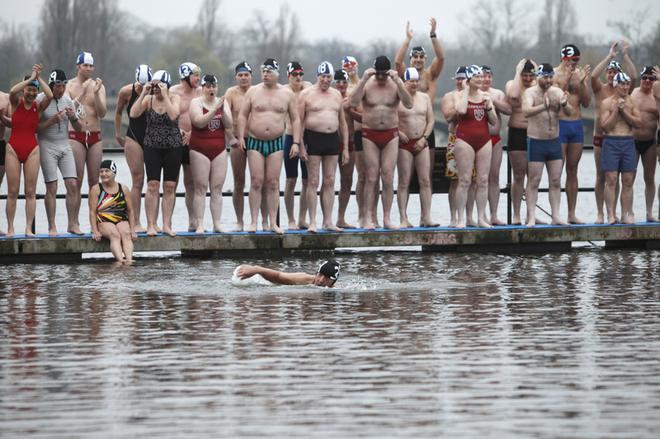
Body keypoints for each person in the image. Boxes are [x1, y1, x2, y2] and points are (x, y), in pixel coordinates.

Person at [237, 58, 301, 234]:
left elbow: (295, 119)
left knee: (273, 183)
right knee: (256, 181)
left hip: (276, 142)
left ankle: (273, 222)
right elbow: (243, 115)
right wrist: (241, 136)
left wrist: (296, 142)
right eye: (263, 71)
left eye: (269, 71)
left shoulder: (287, 94)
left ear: (277, 73)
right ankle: (254, 221)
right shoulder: (253, 91)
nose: (265, 74)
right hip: (255, 140)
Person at [349, 55, 413, 230]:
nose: (381, 78)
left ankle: (386, 218)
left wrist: (399, 81)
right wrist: (362, 80)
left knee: (388, 176)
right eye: (378, 74)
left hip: (391, 134)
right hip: (369, 133)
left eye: (384, 74)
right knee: (371, 176)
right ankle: (369, 217)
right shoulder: (368, 84)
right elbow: (352, 103)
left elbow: (408, 104)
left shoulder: (394, 84)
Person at [129, 70, 183, 237]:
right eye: (154, 85)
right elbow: (133, 114)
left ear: (166, 84)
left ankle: (166, 224)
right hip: (152, 146)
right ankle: (151, 224)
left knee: (170, 186)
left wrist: (166, 95)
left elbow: (174, 115)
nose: (156, 88)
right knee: (152, 186)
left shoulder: (175, 98)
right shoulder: (148, 99)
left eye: (160, 84)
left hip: (173, 146)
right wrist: (144, 92)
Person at [298, 61, 349, 233]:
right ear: (317, 77)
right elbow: (300, 122)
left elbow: (342, 123)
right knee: (313, 181)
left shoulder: (336, 95)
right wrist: (300, 146)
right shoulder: (306, 94)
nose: (326, 80)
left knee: (330, 180)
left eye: (328, 77)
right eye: (323, 77)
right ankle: (312, 221)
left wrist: (346, 148)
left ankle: (328, 221)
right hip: (313, 138)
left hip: (332, 140)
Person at [590, 41, 637, 223]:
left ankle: (614, 212)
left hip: (619, 139)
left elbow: (633, 77)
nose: (611, 75)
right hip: (600, 138)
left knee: (616, 177)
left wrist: (625, 56)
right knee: (601, 176)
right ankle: (600, 213)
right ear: (606, 74)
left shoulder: (624, 89)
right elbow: (593, 76)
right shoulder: (599, 89)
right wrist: (609, 56)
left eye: (615, 72)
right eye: (609, 72)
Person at [522, 63, 573, 227]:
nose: (549, 80)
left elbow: (570, 112)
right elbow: (526, 111)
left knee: (556, 180)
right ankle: (531, 217)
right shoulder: (530, 92)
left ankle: (556, 216)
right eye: (545, 77)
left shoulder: (557, 92)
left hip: (554, 141)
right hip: (536, 141)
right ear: (538, 77)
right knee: (534, 181)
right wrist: (543, 106)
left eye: (551, 77)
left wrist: (565, 104)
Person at [5, 65, 52, 237]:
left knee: (30, 192)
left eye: (34, 91)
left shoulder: (38, 107)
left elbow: (50, 95)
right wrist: (30, 78)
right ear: (24, 89)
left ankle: (27, 228)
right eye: (28, 90)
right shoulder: (16, 103)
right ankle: (10, 228)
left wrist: (38, 79)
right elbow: (11, 91)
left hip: (32, 149)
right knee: (12, 192)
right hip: (13, 148)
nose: (31, 93)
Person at [37, 69, 83, 236]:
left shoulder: (67, 101)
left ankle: (72, 224)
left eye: (64, 86)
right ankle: (51, 226)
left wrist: (73, 118)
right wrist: (51, 121)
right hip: (46, 146)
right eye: (58, 86)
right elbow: (34, 128)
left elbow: (79, 129)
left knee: (72, 184)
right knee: (52, 187)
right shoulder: (41, 99)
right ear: (51, 85)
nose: (61, 89)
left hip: (64, 146)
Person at [65, 51, 107, 233]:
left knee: (94, 181)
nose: (89, 69)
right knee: (76, 181)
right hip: (76, 136)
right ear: (78, 67)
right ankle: (73, 223)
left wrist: (96, 94)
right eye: (85, 65)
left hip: (95, 135)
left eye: (91, 65)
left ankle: (95, 223)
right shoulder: (69, 85)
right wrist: (81, 93)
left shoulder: (98, 85)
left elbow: (102, 113)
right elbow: (68, 108)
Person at [452, 65, 497, 229]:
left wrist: (489, 106)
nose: (481, 79)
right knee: (464, 180)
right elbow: (461, 110)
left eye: (482, 77)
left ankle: (480, 217)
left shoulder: (486, 96)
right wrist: (465, 90)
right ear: (469, 80)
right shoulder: (459, 95)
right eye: (477, 77)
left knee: (483, 180)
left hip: (484, 140)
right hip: (464, 140)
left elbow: (493, 121)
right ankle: (461, 219)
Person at [224, 61, 268, 231]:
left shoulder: (258, 92)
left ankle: (263, 220)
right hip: (237, 142)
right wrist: (231, 138)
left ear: (251, 76)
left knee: (260, 182)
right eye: (240, 75)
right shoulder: (231, 93)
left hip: (256, 140)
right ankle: (240, 220)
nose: (243, 78)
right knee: (239, 182)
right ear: (236, 77)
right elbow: (224, 117)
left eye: (246, 75)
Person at [189, 74, 235, 233]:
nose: (211, 89)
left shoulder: (223, 102)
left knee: (217, 188)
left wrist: (222, 111)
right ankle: (200, 223)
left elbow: (229, 125)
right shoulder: (195, 102)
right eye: (208, 86)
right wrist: (214, 110)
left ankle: (217, 223)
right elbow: (198, 122)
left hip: (219, 149)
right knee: (200, 188)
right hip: (199, 149)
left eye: (213, 86)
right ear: (202, 88)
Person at [554, 44, 591, 224]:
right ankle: (557, 214)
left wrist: (583, 83)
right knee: (557, 171)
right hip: (560, 125)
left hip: (576, 125)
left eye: (578, 60)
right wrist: (567, 79)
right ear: (565, 58)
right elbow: (555, 99)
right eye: (573, 60)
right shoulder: (553, 74)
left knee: (573, 169)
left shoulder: (580, 74)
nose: (576, 63)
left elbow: (586, 102)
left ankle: (571, 213)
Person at [114, 64, 153, 233]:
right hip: (134, 137)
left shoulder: (156, 90)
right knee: (137, 181)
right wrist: (118, 134)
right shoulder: (126, 92)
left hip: (153, 139)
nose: (143, 87)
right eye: (140, 85)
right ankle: (135, 221)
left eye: (146, 85)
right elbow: (118, 113)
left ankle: (153, 222)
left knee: (153, 183)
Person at [397, 67, 437, 228]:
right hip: (404, 143)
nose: (414, 84)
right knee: (404, 181)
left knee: (425, 180)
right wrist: (399, 133)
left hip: (422, 142)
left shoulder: (425, 97)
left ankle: (425, 217)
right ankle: (403, 218)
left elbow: (431, 120)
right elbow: (391, 118)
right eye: (410, 81)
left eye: (416, 81)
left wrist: (424, 138)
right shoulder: (398, 98)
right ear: (404, 82)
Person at [600, 72, 641, 224]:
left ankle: (626, 213)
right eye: (622, 84)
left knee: (628, 180)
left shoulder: (633, 102)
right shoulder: (606, 103)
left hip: (628, 142)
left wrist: (624, 111)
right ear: (616, 85)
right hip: (611, 141)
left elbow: (638, 123)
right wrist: (617, 110)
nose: (625, 87)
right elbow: (605, 126)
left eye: (627, 84)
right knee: (611, 179)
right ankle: (611, 214)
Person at [170, 62, 202, 231]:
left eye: (199, 75)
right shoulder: (172, 92)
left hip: (194, 141)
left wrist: (191, 132)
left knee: (191, 183)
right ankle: (168, 222)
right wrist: (178, 130)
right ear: (185, 76)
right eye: (195, 75)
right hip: (175, 141)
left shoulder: (200, 92)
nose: (198, 78)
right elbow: (163, 112)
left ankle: (193, 220)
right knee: (171, 184)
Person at [505, 59, 537, 224]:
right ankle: (516, 214)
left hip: (535, 133)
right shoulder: (512, 84)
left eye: (530, 74)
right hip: (517, 132)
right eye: (525, 75)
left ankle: (531, 214)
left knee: (533, 177)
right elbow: (514, 96)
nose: (528, 78)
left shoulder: (537, 86)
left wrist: (537, 74)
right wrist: (518, 72)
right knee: (518, 176)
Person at [480, 66, 512, 225]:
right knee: (481, 178)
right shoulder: (472, 92)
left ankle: (493, 215)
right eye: (483, 76)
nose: (486, 79)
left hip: (495, 139)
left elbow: (509, 110)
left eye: (488, 76)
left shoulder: (498, 93)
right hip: (479, 140)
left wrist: (493, 102)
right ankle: (481, 215)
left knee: (494, 177)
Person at [89, 160, 137, 263]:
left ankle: (129, 261)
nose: (103, 174)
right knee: (115, 234)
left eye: (107, 171)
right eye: (101, 171)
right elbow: (92, 212)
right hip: (103, 220)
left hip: (121, 219)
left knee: (126, 233)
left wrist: (133, 229)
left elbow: (130, 211)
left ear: (114, 172)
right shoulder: (96, 189)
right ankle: (120, 261)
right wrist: (95, 230)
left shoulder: (123, 188)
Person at [284, 61, 312, 229]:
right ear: (288, 76)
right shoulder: (283, 91)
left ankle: (302, 219)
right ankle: (291, 220)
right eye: (294, 74)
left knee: (308, 180)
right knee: (290, 180)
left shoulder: (308, 88)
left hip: (307, 137)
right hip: (289, 137)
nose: (298, 77)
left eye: (301, 74)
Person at [630, 66, 657, 222]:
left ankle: (649, 213)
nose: (647, 81)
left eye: (651, 78)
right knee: (629, 178)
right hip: (632, 141)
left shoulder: (657, 96)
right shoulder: (632, 93)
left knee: (650, 178)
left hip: (650, 142)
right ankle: (628, 212)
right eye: (645, 77)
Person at [333, 69, 357, 229]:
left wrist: (351, 109)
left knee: (347, 181)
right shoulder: (327, 96)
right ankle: (324, 218)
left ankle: (341, 218)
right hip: (330, 143)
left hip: (349, 143)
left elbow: (364, 117)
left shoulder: (352, 97)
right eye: (338, 82)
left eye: (344, 82)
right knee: (326, 181)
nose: (341, 85)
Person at [235, 259, 340, 287]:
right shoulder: (304, 279)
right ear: (316, 273)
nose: (321, 280)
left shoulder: (335, 289)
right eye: (320, 275)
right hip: (262, 281)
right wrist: (256, 270)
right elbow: (279, 276)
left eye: (327, 278)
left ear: (333, 281)